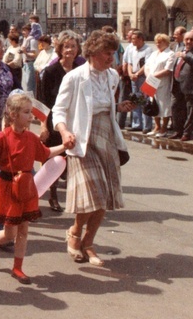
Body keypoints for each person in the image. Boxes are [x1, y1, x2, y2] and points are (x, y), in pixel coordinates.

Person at [52, 30, 135, 267]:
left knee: (105, 196)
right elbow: (59, 110)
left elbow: (103, 106)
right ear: (93, 53)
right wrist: (64, 131)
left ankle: (88, 243)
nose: (112, 58)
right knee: (92, 194)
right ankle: (75, 233)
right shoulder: (75, 77)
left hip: (106, 137)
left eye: (113, 54)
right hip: (82, 140)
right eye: (107, 54)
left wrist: (119, 107)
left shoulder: (112, 76)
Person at [0, 93, 67, 283]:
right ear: (13, 114)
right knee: (10, 233)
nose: (31, 117)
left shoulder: (31, 137)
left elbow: (45, 153)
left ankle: (17, 268)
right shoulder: (1, 138)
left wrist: (64, 146)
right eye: (27, 112)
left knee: (24, 231)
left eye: (31, 112)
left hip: (26, 188)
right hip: (8, 187)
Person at [38, 30, 81, 212]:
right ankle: (53, 195)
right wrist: (42, 125)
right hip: (54, 122)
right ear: (60, 49)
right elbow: (42, 101)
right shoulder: (50, 71)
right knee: (54, 160)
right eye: (66, 46)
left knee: (74, 160)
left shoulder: (81, 70)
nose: (69, 50)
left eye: (73, 46)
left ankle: (74, 197)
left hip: (75, 121)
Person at [144, 33, 176, 137]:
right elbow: (147, 66)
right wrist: (148, 75)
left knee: (164, 105)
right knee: (153, 104)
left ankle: (164, 127)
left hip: (163, 82)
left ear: (166, 43)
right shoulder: (154, 53)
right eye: (156, 42)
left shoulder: (170, 54)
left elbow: (168, 70)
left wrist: (153, 76)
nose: (157, 44)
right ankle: (157, 126)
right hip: (151, 82)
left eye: (160, 42)